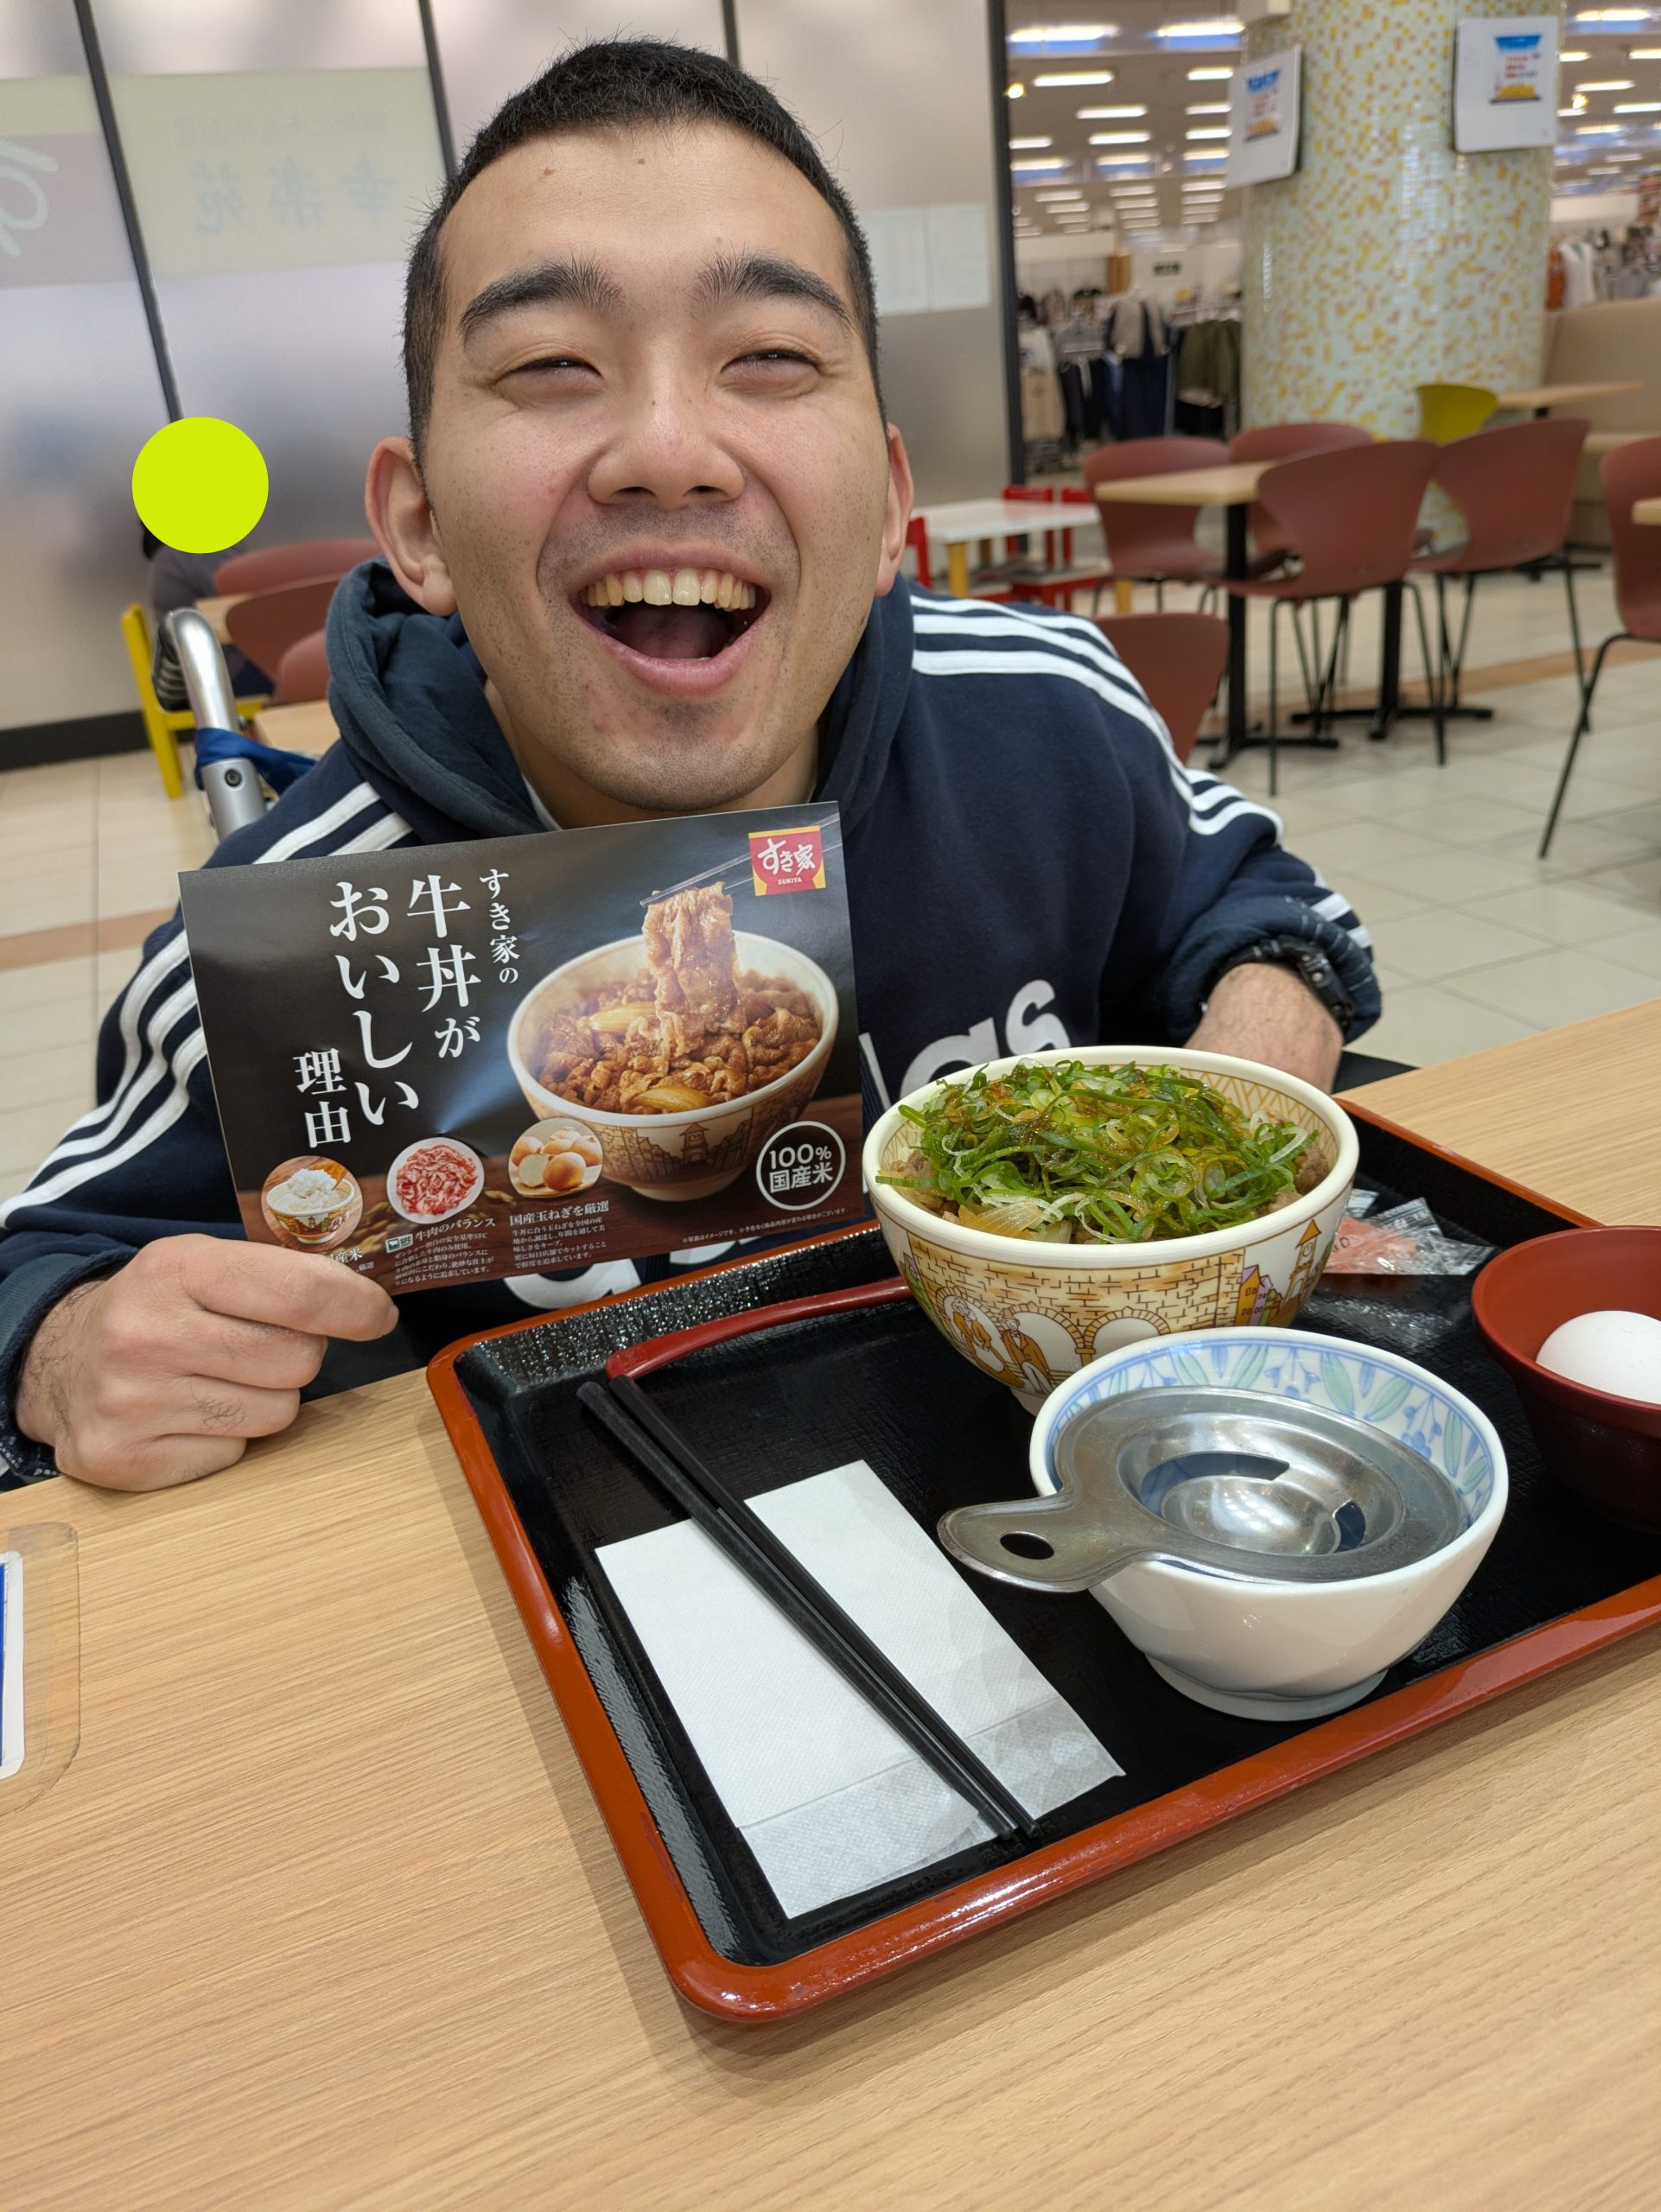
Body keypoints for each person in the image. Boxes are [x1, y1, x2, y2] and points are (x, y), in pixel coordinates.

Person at [0, 39, 1379, 1495]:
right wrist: (68, 1347)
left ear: (890, 500)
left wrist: (1248, 1092)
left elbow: (1259, 900)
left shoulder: (1046, 715)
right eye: (550, 365)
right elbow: (50, 1262)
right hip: (576, 1552)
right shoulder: (288, 937)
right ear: (417, 528)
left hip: (1058, 1476)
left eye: (769, 357)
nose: (667, 450)